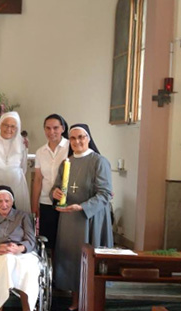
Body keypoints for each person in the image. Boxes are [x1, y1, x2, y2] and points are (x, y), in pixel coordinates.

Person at [51, 123, 113, 311]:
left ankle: (92, 301)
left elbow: (105, 193)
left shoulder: (99, 161)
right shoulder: (66, 162)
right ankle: (75, 299)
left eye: (81, 137)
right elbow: (56, 188)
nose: (77, 141)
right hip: (69, 219)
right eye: (73, 138)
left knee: (88, 261)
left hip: (90, 219)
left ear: (88, 138)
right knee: (72, 259)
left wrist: (83, 207)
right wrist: (54, 194)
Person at [0, 186, 39, 311]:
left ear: (12, 202)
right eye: (0, 201)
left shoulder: (23, 216)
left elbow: (31, 241)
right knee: (6, 260)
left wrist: (19, 249)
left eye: (7, 201)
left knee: (28, 268)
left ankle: (27, 308)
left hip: (22, 253)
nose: (4, 204)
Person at [31, 114, 69, 249]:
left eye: (55, 128)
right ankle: (49, 267)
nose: (51, 132)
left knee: (65, 240)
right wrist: (34, 205)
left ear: (63, 128)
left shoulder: (70, 147)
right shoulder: (40, 152)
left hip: (66, 201)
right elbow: (38, 180)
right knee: (47, 241)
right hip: (46, 201)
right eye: (48, 128)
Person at [0, 111, 30, 214]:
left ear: (17, 128)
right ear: (0, 125)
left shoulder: (22, 143)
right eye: (6, 125)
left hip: (16, 186)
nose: (9, 129)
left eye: (13, 126)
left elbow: (23, 167)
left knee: (17, 221)